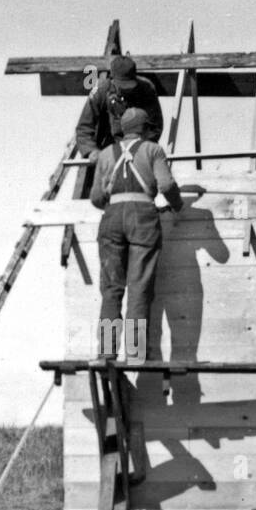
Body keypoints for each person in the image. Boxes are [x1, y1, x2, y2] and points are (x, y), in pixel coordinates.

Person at [90, 107, 184, 361]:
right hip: (142, 217)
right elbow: (166, 185)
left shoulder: (107, 153)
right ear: (144, 129)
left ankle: (106, 352)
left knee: (111, 289)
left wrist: (115, 204)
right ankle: (135, 352)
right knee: (139, 287)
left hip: (111, 219)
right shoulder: (153, 150)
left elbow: (96, 198)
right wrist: (177, 205)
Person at [75, 55, 164, 158]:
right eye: (122, 85)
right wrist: (91, 151)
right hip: (107, 151)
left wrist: (142, 148)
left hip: (139, 151)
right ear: (112, 79)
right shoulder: (100, 90)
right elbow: (84, 127)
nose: (126, 89)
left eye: (129, 85)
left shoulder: (147, 89)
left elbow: (155, 126)